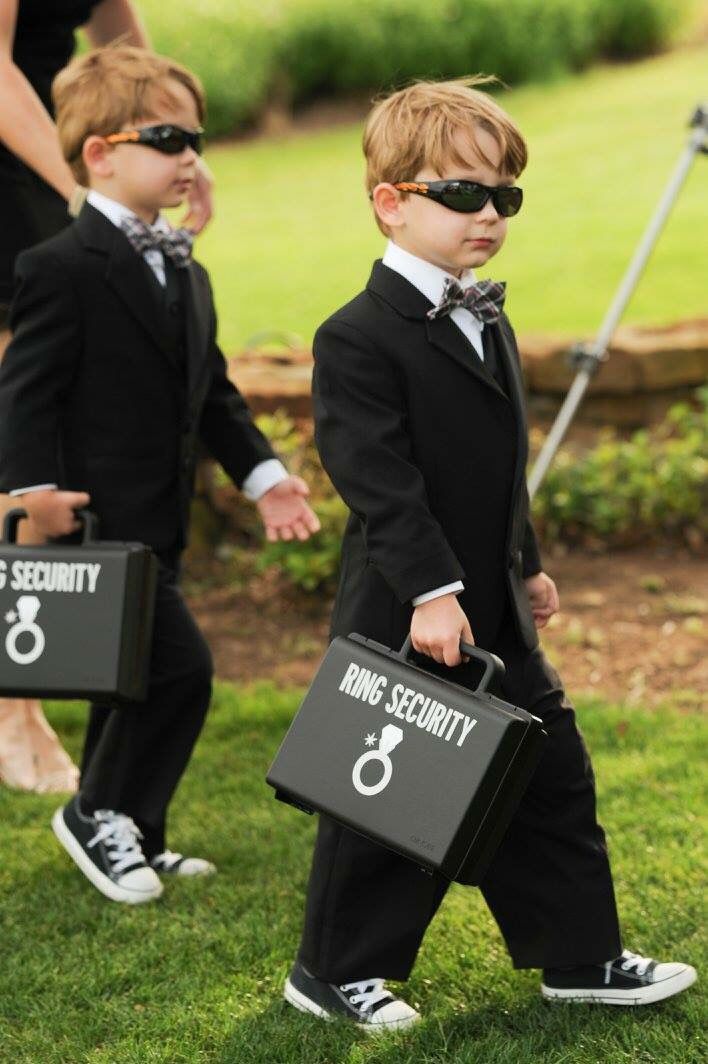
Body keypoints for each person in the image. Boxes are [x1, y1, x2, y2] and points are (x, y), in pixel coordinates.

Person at [282, 77, 696, 1030]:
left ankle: (580, 956)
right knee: (391, 796)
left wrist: (528, 559)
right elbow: (376, 479)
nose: (489, 215)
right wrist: (432, 590)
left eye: (504, 195)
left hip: (494, 598)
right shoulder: (356, 338)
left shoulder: (486, 315)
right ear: (390, 204)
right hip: (408, 605)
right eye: (462, 194)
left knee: (552, 773)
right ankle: (332, 972)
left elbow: (499, 465)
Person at [0, 44, 320, 904]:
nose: (191, 157)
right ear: (100, 152)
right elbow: (25, 391)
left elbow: (212, 395)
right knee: (182, 671)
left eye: (197, 139)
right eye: (170, 137)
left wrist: (266, 479)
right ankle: (97, 811)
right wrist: (29, 490)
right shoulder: (57, 268)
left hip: (160, 516)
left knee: (127, 678)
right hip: (97, 523)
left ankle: (138, 827)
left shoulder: (187, 270)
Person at [0, 0, 212, 792]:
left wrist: (171, 132)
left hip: (69, 154)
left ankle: (87, 670)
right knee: (20, 425)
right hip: (28, 154)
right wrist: (92, 194)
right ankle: (13, 705)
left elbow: (117, 29)